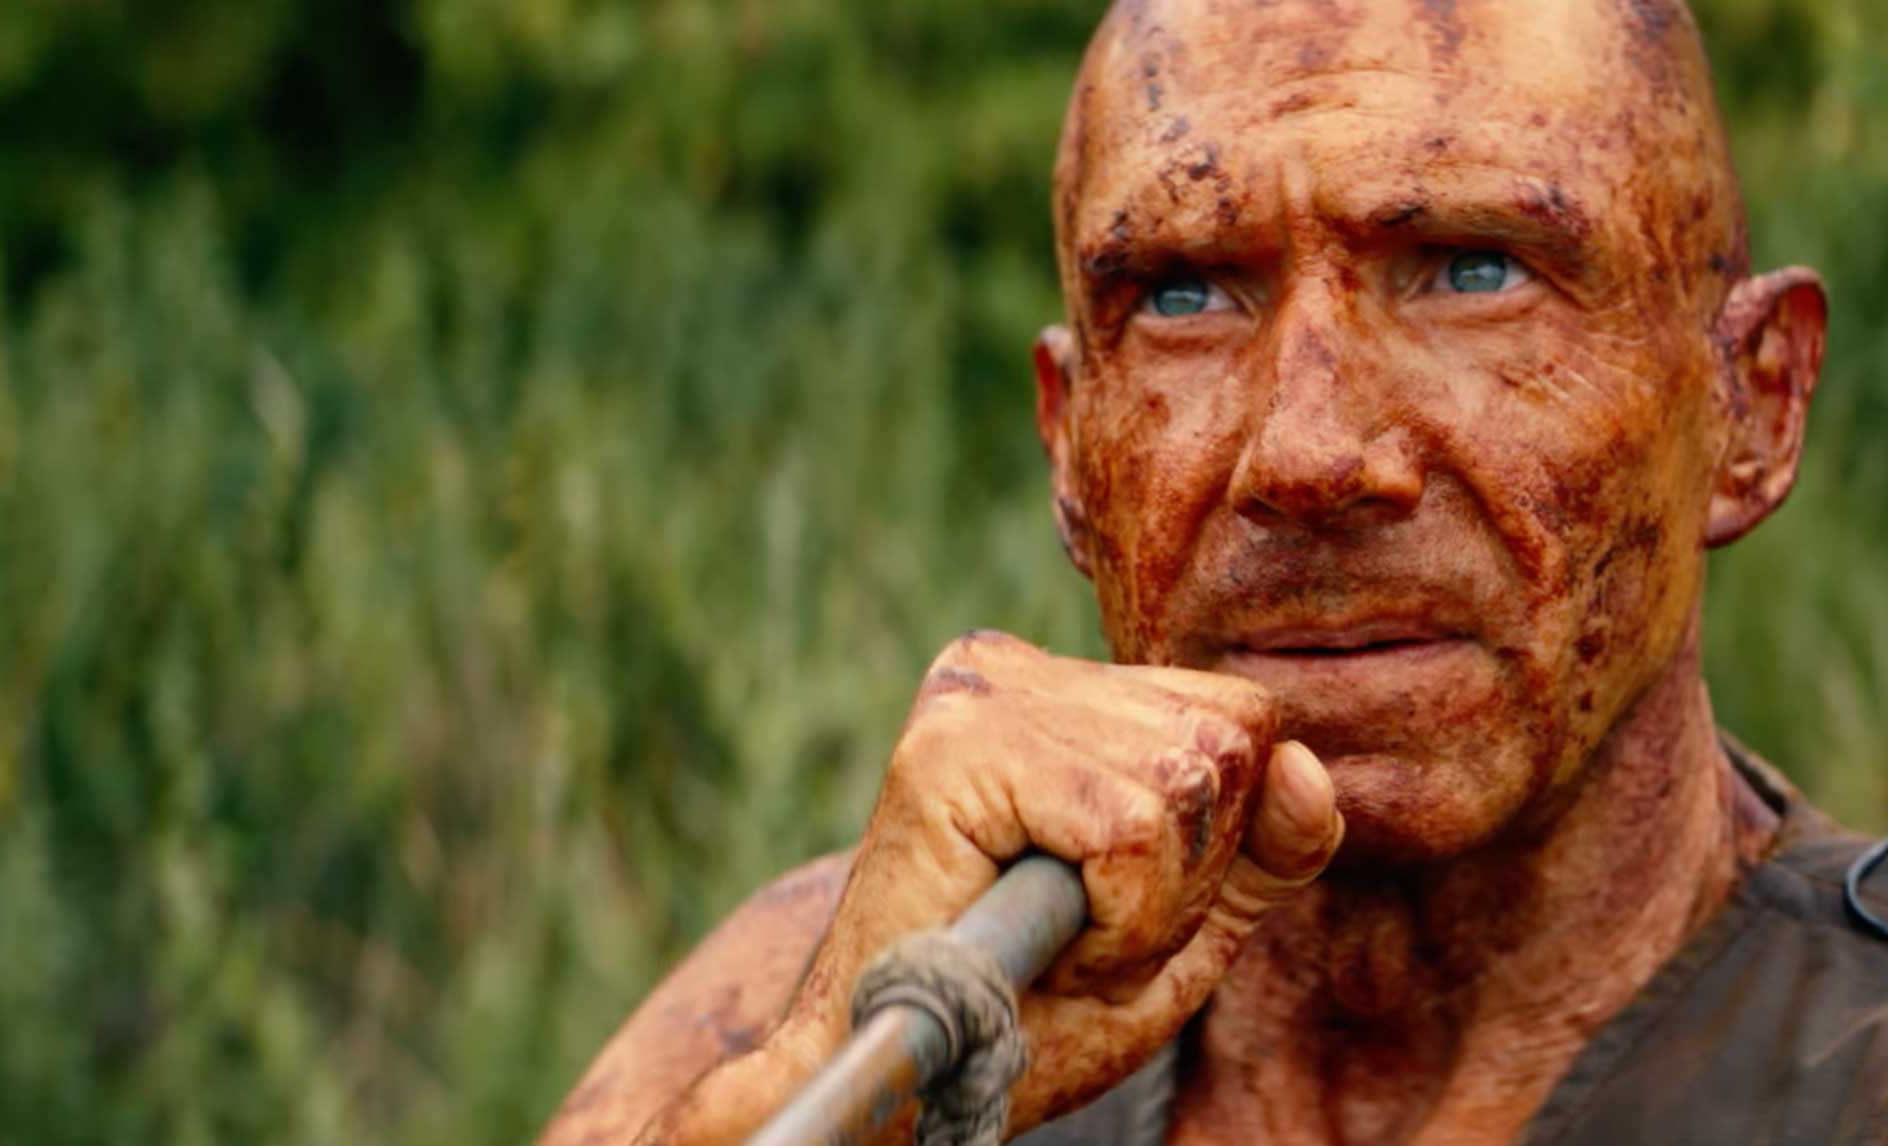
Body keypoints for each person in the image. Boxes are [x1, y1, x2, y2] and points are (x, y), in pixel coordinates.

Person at [535, 0, 1888, 1142]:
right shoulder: (852, 1001)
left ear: (1753, 403)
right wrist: (826, 1097)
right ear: (1070, 447)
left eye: (1474, 270)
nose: (1307, 452)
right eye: (1182, 295)